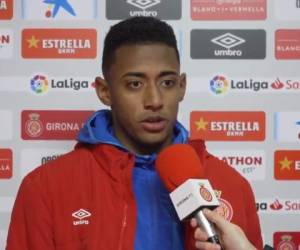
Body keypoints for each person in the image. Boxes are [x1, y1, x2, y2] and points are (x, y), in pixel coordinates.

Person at [6, 17, 263, 250]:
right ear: (105, 91)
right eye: (135, 84)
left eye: (167, 83)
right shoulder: (45, 188)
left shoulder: (232, 186)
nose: (154, 100)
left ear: (182, 87)